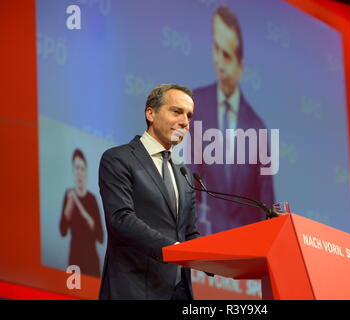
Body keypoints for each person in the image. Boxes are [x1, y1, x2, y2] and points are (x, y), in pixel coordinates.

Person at [98, 84, 200, 300]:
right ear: (150, 113)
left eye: (189, 116)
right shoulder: (119, 159)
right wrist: (172, 250)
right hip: (134, 290)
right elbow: (121, 219)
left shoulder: (184, 174)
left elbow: (189, 233)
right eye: (177, 111)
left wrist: (214, 258)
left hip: (179, 293)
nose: (185, 122)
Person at [191, 5, 275, 234]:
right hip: (202, 250)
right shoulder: (194, 105)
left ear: (240, 67)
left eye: (226, 55)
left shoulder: (258, 129)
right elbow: (185, 184)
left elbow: (268, 209)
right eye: (215, 49)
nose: (218, 62)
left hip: (244, 256)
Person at [59, 149, 104, 278]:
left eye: (82, 168)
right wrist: (70, 202)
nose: (79, 172)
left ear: (86, 172)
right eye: (77, 168)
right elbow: (63, 230)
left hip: (92, 261)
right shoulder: (69, 195)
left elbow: (100, 236)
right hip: (75, 259)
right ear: (73, 170)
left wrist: (79, 205)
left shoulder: (92, 199)